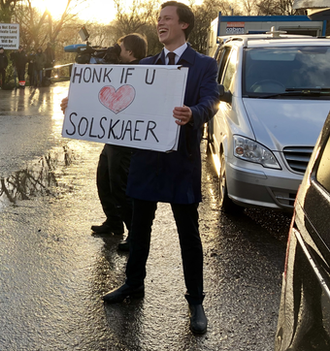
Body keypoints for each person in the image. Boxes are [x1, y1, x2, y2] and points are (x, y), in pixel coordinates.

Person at [101, 1, 219, 336]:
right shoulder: (147, 65)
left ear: (184, 24)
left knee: (188, 234)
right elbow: (117, 103)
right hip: (145, 161)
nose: (159, 23)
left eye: (166, 18)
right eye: (158, 19)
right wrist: (77, 104)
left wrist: (193, 113)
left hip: (179, 162)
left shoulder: (204, 65)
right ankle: (133, 285)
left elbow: (211, 100)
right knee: (139, 229)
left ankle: (195, 301)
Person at [60, 34, 147, 239]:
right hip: (112, 136)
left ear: (130, 52)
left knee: (119, 186)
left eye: (120, 48)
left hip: (126, 138)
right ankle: (114, 222)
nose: (116, 51)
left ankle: (135, 235)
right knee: (104, 179)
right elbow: (96, 94)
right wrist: (73, 104)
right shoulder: (116, 71)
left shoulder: (142, 71)